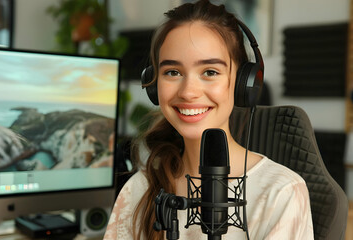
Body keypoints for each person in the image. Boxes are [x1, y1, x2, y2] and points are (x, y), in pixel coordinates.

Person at [104, 0, 313, 239]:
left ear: (243, 84)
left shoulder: (280, 193)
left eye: (210, 72)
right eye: (173, 72)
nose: (188, 92)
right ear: (153, 85)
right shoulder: (139, 189)